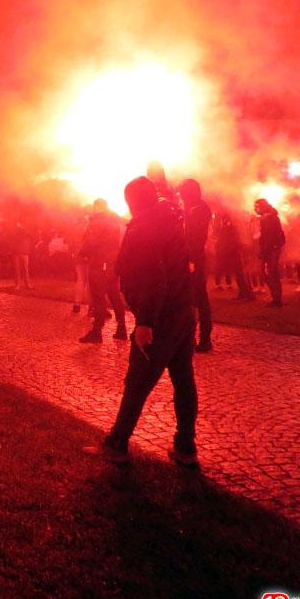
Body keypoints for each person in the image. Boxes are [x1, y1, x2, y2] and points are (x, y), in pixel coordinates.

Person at [99, 177, 197, 466]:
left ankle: (117, 442)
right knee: (183, 380)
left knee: (138, 381)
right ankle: (185, 447)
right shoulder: (171, 216)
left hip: (160, 316)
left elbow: (155, 279)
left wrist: (145, 323)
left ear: (132, 202)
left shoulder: (144, 229)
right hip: (182, 311)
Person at [78, 199, 127, 343]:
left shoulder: (97, 223)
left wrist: (81, 253)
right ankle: (122, 328)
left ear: (98, 207)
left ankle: (96, 332)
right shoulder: (114, 222)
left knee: (98, 298)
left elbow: (90, 242)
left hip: (99, 264)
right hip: (112, 264)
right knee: (114, 296)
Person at [179, 179, 214, 351]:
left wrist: (191, 260)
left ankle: (204, 339)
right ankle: (190, 337)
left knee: (198, 298)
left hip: (195, 259)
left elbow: (197, 239)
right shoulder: (192, 208)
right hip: (190, 258)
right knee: (190, 298)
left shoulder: (199, 209)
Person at [213, 213, 253, 300]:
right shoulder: (226, 224)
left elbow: (235, 237)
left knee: (242, 272)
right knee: (239, 273)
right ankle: (243, 293)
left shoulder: (234, 223)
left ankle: (248, 293)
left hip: (236, 250)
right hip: (232, 250)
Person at [254, 199, 285, 307]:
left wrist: (263, 251)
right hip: (270, 249)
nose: (255, 209)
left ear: (262, 207)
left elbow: (269, 237)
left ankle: (276, 299)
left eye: (257, 206)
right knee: (269, 273)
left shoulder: (269, 218)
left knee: (271, 273)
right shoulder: (267, 217)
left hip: (271, 250)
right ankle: (276, 297)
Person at [11, 222, 34, 290]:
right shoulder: (15, 231)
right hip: (16, 252)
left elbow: (30, 236)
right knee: (17, 270)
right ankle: (17, 285)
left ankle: (27, 284)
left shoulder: (26, 231)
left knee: (25, 269)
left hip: (24, 252)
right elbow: (14, 237)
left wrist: (22, 228)